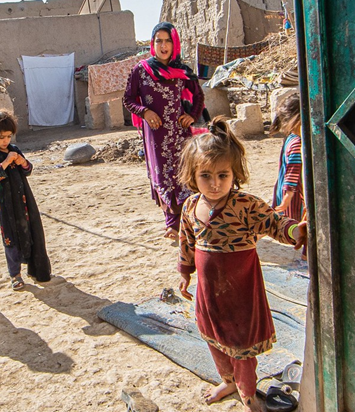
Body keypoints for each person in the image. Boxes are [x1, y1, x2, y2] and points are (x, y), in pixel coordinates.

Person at [176, 116, 307, 411]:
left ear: (234, 172)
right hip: (209, 293)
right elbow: (186, 242)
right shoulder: (190, 206)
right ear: (192, 175)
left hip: (241, 292)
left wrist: (294, 231)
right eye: (205, 175)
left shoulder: (246, 205)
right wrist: (185, 273)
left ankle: (248, 394)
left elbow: (275, 223)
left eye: (223, 175)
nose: (215, 183)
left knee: (242, 347)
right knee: (213, 337)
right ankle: (228, 381)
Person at [123, 21, 206, 239]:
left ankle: (190, 219)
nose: (163, 45)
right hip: (156, 135)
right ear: (152, 43)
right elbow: (128, 99)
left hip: (180, 133)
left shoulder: (182, 71)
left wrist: (192, 115)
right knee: (163, 175)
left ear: (174, 43)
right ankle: (172, 223)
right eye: (158, 40)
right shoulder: (141, 70)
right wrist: (144, 112)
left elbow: (198, 96)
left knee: (185, 173)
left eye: (168, 40)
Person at [0, 108, 52, 290]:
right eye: (1, 137)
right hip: (7, 205)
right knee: (11, 237)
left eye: (8, 136)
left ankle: (35, 269)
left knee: (31, 232)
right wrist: (5, 162)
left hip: (25, 200)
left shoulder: (15, 150)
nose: (5, 141)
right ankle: (15, 275)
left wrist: (23, 162)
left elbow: (28, 170)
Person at [270, 93, 305, 222]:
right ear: (297, 120)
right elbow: (293, 171)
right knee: (297, 223)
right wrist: (288, 196)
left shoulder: (289, 137)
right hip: (294, 195)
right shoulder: (297, 143)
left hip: (282, 189)